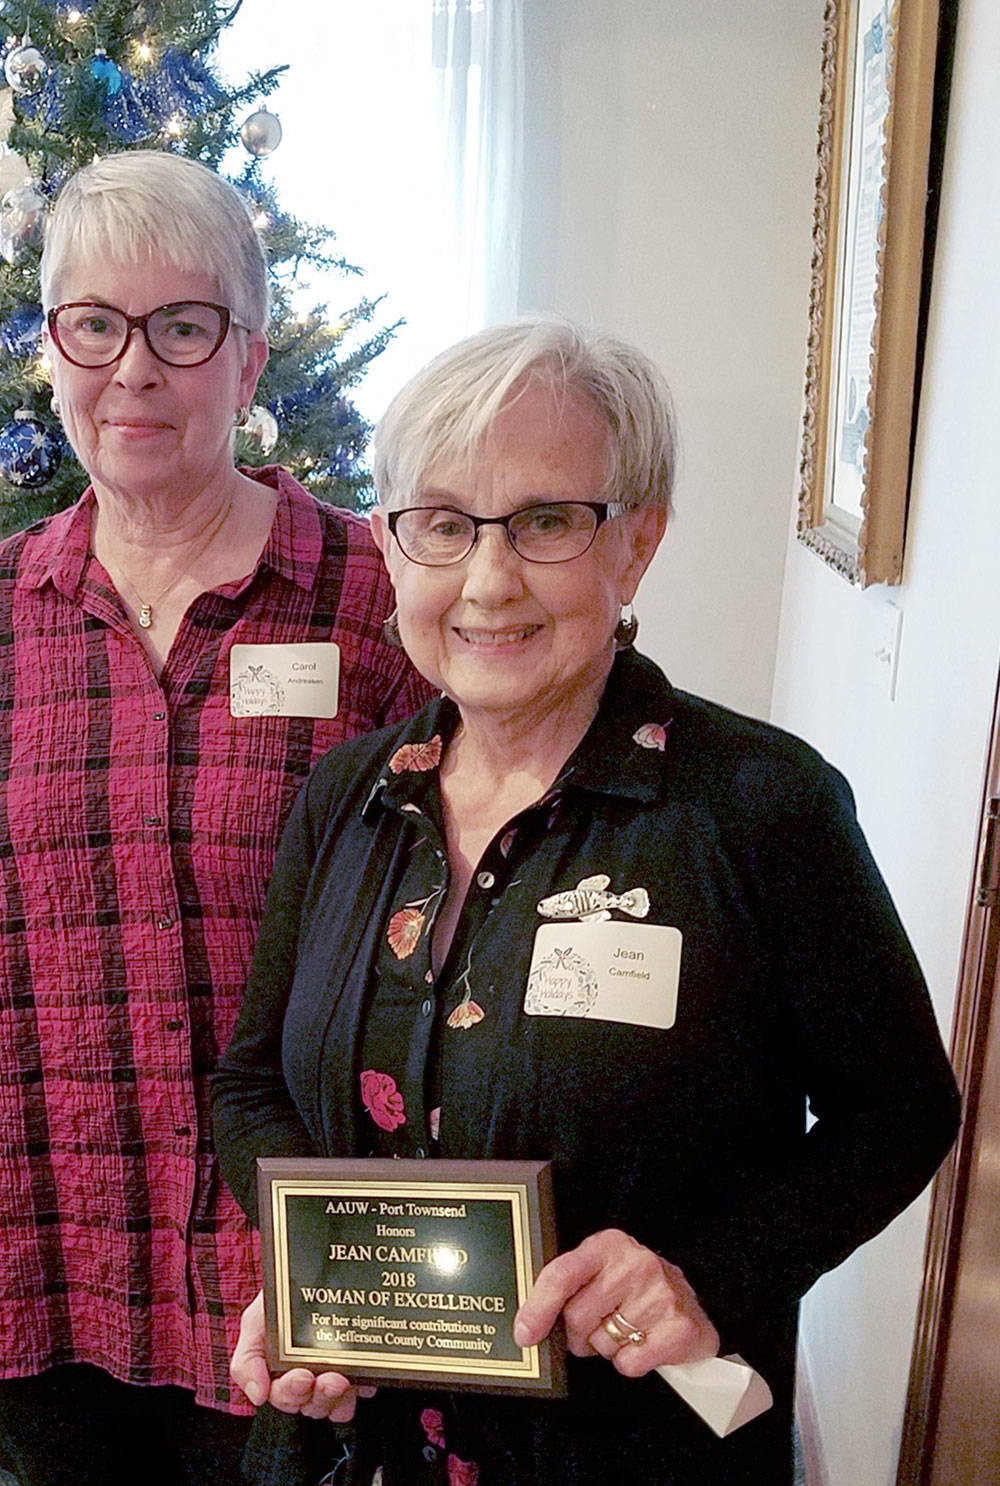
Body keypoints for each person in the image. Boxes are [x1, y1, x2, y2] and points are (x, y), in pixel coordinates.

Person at [211, 319, 961, 1484]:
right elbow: (252, 1084)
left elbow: (899, 1111)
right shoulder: (343, 798)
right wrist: (307, 1279)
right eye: (444, 525)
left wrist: (704, 1272)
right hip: (352, 1447)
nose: (489, 580)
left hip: (632, 1447)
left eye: (548, 521)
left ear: (637, 544)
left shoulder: (757, 807)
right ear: (391, 548)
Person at [0, 150, 430, 1486]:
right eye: (95, 325)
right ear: (53, 351)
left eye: (183, 326)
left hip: (272, 1237)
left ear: (248, 357)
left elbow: (462, 896)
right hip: (38, 1200)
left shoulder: (369, 593)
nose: (134, 369)